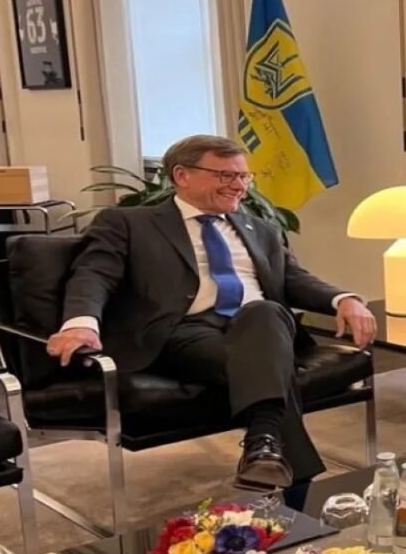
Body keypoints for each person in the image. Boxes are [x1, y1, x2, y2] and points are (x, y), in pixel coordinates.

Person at [45, 135, 376, 490]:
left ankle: (263, 447)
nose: (239, 186)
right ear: (182, 175)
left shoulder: (261, 229)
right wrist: (80, 324)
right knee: (265, 363)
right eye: (225, 176)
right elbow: (94, 273)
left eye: (244, 177)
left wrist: (343, 299)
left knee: (264, 312)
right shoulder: (129, 223)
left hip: (261, 327)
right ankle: (281, 467)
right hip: (185, 331)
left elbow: (293, 278)